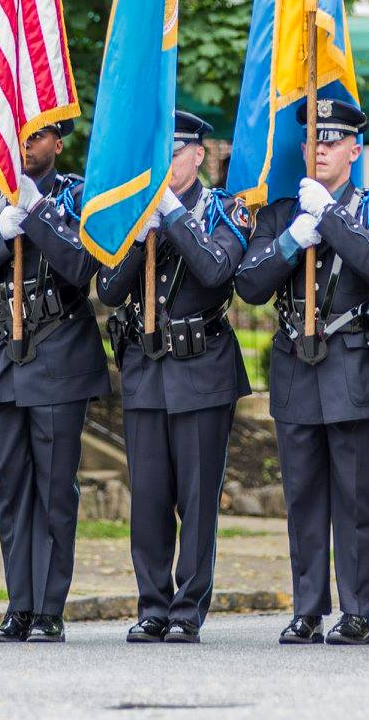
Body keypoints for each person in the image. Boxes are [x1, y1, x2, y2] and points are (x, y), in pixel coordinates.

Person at [233, 98, 369, 647]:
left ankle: (356, 610)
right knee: (304, 497)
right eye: (313, 142)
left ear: (355, 150)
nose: (320, 150)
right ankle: (308, 608)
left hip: (354, 366)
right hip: (296, 367)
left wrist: (331, 219)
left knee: (356, 497)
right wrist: (294, 239)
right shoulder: (281, 214)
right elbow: (249, 285)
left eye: (332, 142)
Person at [0, 122, 108, 643]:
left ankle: (49, 608)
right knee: (12, 489)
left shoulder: (77, 198)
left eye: (37, 135)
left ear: (57, 143)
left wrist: (36, 215)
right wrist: (0, 233)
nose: (24, 145)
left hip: (58, 354)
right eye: (15, 134)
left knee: (55, 487)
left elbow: (84, 267)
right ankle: (19, 605)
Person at [97, 111, 253, 644]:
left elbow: (215, 271)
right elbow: (109, 290)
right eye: (160, 151)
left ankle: (188, 608)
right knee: (149, 497)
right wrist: (140, 238)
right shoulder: (133, 212)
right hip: (145, 369)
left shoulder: (223, 211)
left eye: (177, 150)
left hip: (202, 368)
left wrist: (173, 218)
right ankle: (152, 606)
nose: (167, 162)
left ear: (198, 155)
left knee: (196, 495)